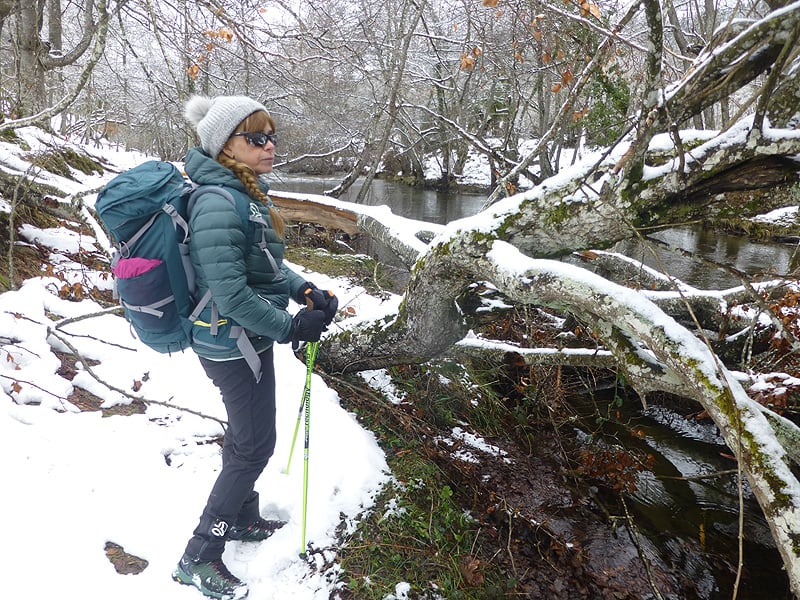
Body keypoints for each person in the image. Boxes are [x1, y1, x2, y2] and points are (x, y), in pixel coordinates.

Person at [172, 94, 338, 599]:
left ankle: (242, 518)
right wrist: (292, 328)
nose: (269, 147)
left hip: (244, 337)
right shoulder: (218, 203)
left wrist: (302, 290)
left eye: (271, 137)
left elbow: (262, 265)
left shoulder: (240, 193)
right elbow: (231, 294)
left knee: (246, 438)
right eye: (256, 138)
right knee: (253, 446)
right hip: (229, 342)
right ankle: (200, 555)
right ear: (226, 146)